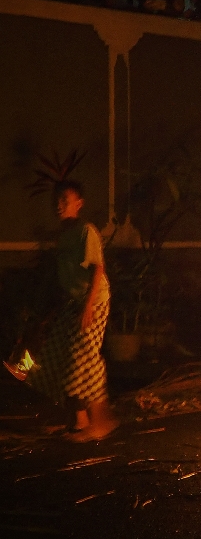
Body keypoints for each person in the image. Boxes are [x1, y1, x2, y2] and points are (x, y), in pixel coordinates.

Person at [4, 181, 118, 442]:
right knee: (56, 356)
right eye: (56, 200)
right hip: (72, 302)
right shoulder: (64, 235)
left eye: (65, 200)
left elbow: (98, 268)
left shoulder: (85, 231)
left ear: (79, 204)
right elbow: (61, 277)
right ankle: (79, 421)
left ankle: (102, 421)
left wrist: (88, 305)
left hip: (95, 302)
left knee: (83, 358)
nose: (59, 205)